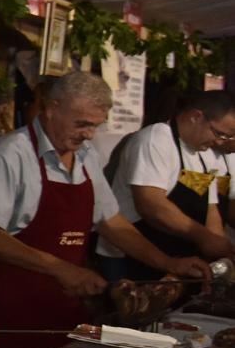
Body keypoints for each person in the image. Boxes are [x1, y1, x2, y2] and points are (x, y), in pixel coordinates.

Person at [0, 72, 210, 348]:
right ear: (52, 108)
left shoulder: (86, 155)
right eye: (82, 124)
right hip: (10, 313)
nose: (89, 134)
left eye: (95, 126)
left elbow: (111, 222)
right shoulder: (10, 153)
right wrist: (60, 267)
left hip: (60, 311)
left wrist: (168, 262)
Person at [97, 90, 235, 280]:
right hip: (130, 254)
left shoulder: (203, 153)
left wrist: (220, 248)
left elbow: (211, 209)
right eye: (219, 133)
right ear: (196, 116)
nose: (220, 142)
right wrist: (203, 236)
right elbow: (151, 205)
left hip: (174, 258)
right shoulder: (155, 139)